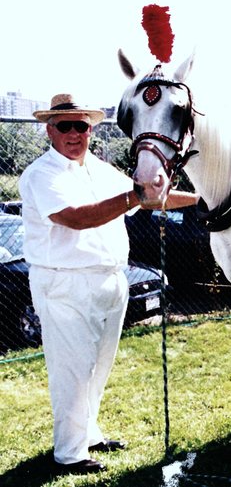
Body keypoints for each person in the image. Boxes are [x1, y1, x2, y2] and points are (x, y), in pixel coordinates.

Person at [19, 93, 198, 475]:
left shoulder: (100, 169)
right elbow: (76, 218)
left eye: (81, 126)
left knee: (98, 367)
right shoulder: (41, 174)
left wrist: (205, 200)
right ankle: (69, 453)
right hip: (65, 284)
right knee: (72, 370)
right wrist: (136, 193)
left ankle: (90, 434)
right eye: (64, 126)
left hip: (111, 279)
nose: (73, 133)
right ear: (49, 130)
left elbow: (150, 199)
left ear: (90, 130)